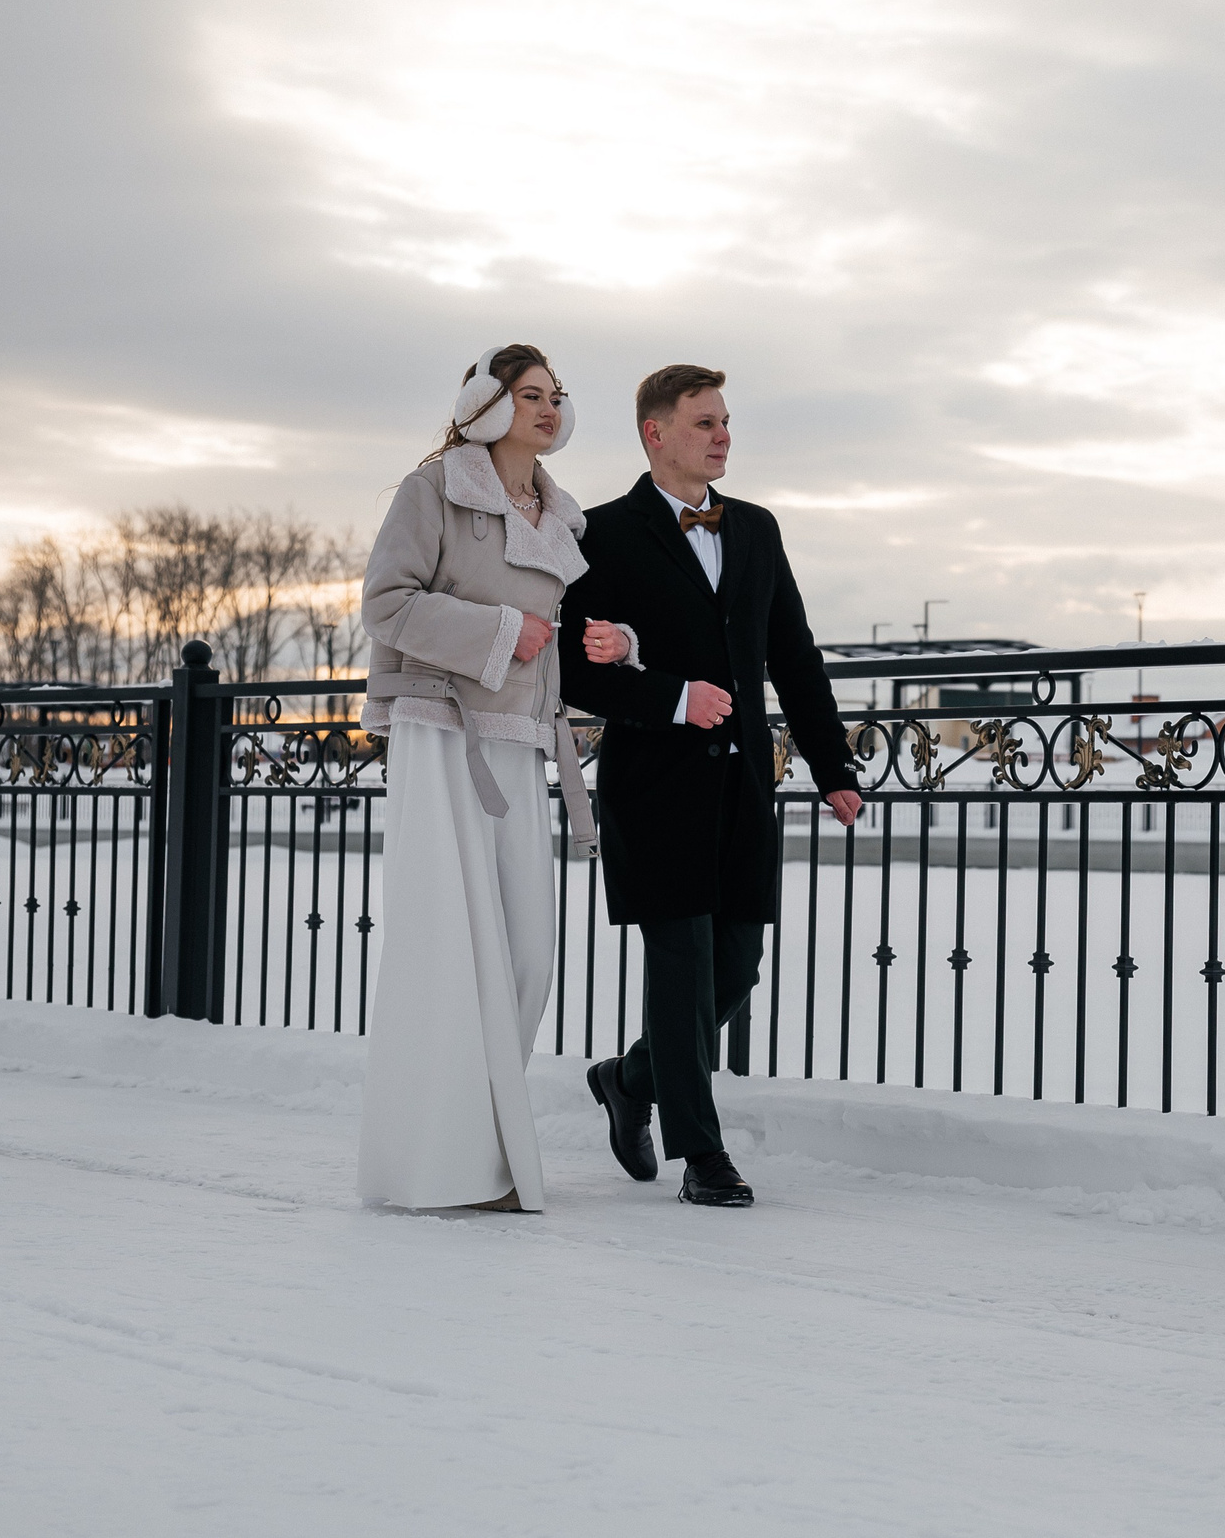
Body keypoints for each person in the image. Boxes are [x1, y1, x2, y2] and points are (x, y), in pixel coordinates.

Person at [559, 364, 862, 1207]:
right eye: (703, 422)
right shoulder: (604, 533)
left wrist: (832, 765)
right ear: (656, 433)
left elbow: (793, 657)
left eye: (725, 421)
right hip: (654, 785)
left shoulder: (758, 529)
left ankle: (629, 1078)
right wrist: (670, 697)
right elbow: (574, 670)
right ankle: (704, 1155)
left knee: (736, 965)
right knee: (682, 963)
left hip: (741, 791)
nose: (721, 434)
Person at [355, 342, 630, 1213]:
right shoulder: (432, 488)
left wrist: (616, 646)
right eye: (530, 394)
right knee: (447, 950)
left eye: (557, 396)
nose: (549, 408)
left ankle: (485, 1147)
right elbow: (385, 603)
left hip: (522, 742)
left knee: (525, 954)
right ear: (486, 403)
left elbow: (567, 639)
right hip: (441, 733)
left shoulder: (561, 518)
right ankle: (443, 1167)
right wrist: (501, 628)